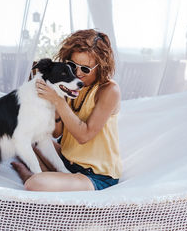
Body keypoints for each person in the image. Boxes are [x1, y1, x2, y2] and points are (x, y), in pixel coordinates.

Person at [11, 29, 122, 191]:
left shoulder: (109, 90)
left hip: (96, 174)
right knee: (26, 138)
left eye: (85, 69)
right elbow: (56, 133)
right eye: (72, 65)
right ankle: (54, 177)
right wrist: (49, 98)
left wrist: (57, 100)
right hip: (67, 160)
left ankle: (34, 177)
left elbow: (84, 135)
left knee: (35, 184)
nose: (77, 73)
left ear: (101, 67)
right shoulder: (70, 84)